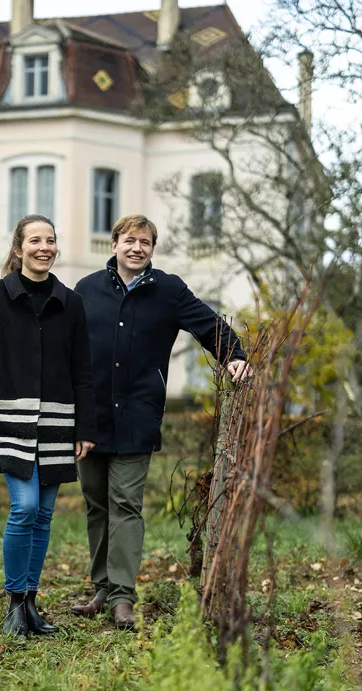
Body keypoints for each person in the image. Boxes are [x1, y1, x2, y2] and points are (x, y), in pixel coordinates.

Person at [71, 214, 251, 630]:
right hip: (91, 418)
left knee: (125, 504)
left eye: (145, 242)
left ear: (152, 249)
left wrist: (235, 355)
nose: (137, 248)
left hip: (138, 414)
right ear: (114, 245)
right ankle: (102, 588)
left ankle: (122, 597)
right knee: (96, 504)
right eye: (130, 240)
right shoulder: (86, 290)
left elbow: (209, 325)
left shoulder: (168, 290)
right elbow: (68, 348)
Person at [0, 215, 97, 638]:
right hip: (10, 417)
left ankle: (30, 604)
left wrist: (86, 427)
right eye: (35, 240)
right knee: (24, 507)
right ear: (18, 248)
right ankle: (13, 602)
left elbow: (83, 369)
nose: (44, 248)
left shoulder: (71, 302)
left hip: (59, 419)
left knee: (43, 514)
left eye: (50, 240)